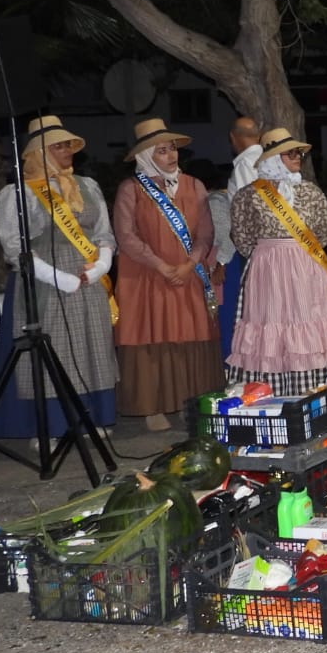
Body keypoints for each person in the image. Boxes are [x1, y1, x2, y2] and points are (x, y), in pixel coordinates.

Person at [0, 116, 118, 440]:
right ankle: (54, 426)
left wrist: (101, 266)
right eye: (58, 146)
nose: (67, 151)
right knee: (54, 351)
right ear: (39, 152)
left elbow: (104, 234)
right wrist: (58, 278)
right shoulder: (19, 193)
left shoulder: (87, 186)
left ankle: (91, 418)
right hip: (46, 282)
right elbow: (15, 249)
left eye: (68, 145)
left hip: (87, 279)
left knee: (92, 349)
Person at [228, 128, 327, 392]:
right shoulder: (248, 195)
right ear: (272, 158)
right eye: (291, 153)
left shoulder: (310, 192)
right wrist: (270, 256)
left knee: (312, 318)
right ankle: (270, 391)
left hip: (306, 267)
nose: (298, 157)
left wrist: (295, 253)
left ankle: (323, 387)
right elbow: (243, 237)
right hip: (268, 272)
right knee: (271, 324)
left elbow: (323, 232)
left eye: (299, 152)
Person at [112, 118, 224, 431]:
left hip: (188, 273)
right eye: (161, 151)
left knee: (191, 334)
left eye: (172, 149)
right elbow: (126, 235)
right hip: (146, 276)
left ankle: (195, 399)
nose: (170, 155)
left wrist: (191, 263)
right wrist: (161, 266)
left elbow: (205, 232)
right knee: (153, 337)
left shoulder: (194, 185)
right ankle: (153, 406)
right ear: (145, 155)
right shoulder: (131, 189)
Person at [217, 115, 262, 357]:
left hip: (257, 252)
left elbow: (248, 212)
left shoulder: (246, 165)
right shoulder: (266, 160)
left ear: (233, 138)